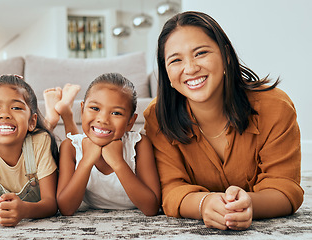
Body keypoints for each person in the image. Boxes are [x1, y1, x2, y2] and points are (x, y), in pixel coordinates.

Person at [143, 11, 303, 230]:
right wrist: (203, 204)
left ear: (226, 55)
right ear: (166, 73)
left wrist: (249, 205)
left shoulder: (275, 107)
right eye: (176, 60)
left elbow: (285, 188)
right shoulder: (157, 117)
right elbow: (171, 190)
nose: (190, 68)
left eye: (200, 53)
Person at [56, 73, 161, 216]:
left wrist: (118, 162)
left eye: (116, 113)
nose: (103, 119)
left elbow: (151, 207)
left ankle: (66, 113)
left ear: (130, 122)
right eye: (95, 108)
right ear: (82, 110)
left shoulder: (139, 144)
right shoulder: (69, 147)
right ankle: (66, 113)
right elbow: (66, 208)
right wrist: (86, 161)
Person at [0, 75, 58, 227]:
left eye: (16, 108)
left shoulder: (41, 142)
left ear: (32, 121)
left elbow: (51, 204)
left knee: (45, 132)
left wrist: (25, 210)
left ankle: (51, 119)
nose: (4, 114)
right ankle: (50, 119)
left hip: (34, 137)